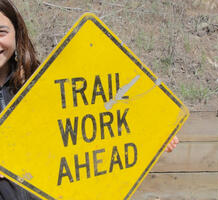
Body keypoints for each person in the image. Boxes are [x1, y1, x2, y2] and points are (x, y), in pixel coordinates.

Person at [0, 0, 179, 199]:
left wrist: (154, 134)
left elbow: (90, 125)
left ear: (17, 33)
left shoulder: (42, 81)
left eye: (2, 32)